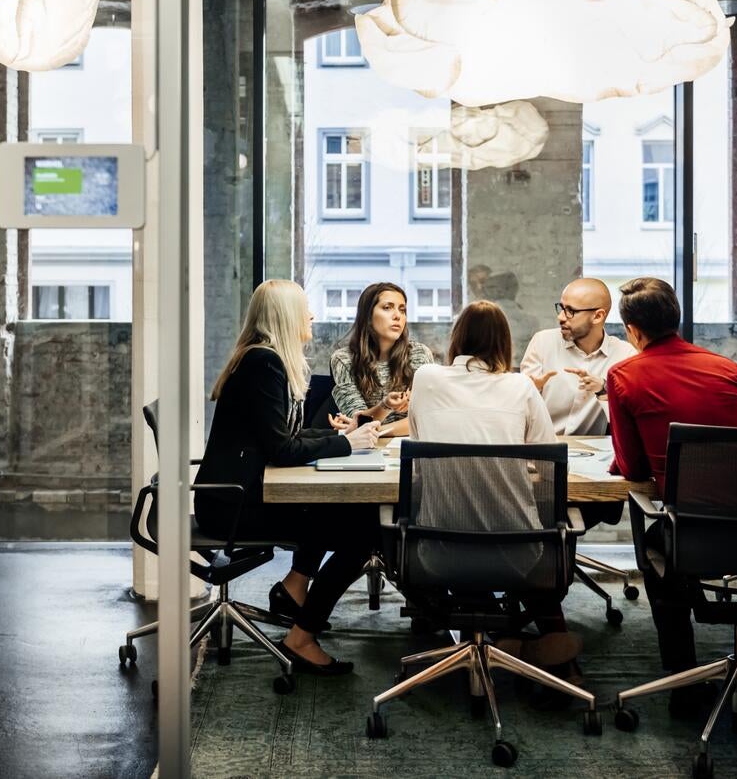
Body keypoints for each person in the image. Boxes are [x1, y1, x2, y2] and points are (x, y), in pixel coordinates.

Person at [194, 279, 382, 676]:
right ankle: (301, 636)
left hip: (238, 495)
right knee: (363, 531)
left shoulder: (261, 359)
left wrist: (340, 436)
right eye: (304, 309)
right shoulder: (264, 364)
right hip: (233, 506)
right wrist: (347, 445)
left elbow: (283, 438)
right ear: (284, 316)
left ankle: (295, 594)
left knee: (346, 518)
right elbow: (282, 449)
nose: (311, 315)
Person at [408, 302, 578, 687]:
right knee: (518, 528)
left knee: (402, 520)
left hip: (437, 550)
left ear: (457, 339)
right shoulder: (519, 385)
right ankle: (533, 645)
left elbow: (420, 445)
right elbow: (549, 459)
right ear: (504, 343)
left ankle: (485, 638)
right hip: (518, 550)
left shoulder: (426, 378)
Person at [606, 277, 737, 713]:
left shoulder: (625, 374)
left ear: (632, 330)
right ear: (677, 318)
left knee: (650, 542)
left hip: (690, 535)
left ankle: (683, 677)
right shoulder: (729, 369)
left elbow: (633, 470)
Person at [520, 277, 636, 436]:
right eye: (561, 308)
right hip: (544, 448)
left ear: (598, 316)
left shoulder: (625, 355)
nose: (560, 317)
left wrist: (604, 389)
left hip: (594, 453)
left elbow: (627, 423)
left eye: (570, 311)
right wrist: (529, 390)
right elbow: (520, 413)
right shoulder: (542, 342)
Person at [329, 282, 434, 438]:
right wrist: (385, 406)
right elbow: (359, 420)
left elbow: (426, 418)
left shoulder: (420, 355)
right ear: (368, 315)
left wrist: (374, 429)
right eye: (387, 308)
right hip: (365, 449)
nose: (398, 316)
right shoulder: (344, 359)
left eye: (402, 309)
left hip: (408, 448)